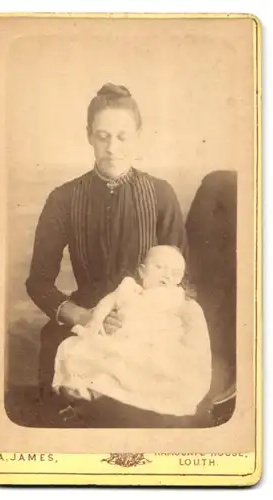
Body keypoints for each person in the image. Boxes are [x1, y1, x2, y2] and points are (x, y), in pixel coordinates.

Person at [26, 83, 188, 425]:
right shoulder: (64, 199)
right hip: (82, 322)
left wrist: (145, 318)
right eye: (103, 136)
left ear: (139, 136)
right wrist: (83, 317)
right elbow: (38, 283)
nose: (113, 148)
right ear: (89, 136)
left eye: (123, 137)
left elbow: (182, 280)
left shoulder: (161, 195)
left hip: (151, 330)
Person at [52, 245, 211, 417]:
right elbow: (106, 303)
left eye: (175, 272)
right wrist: (95, 321)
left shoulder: (177, 297)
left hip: (156, 346)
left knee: (153, 374)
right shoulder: (129, 288)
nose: (167, 275)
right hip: (123, 340)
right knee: (93, 357)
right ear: (142, 271)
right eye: (159, 267)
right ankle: (85, 394)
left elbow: (193, 328)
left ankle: (123, 401)